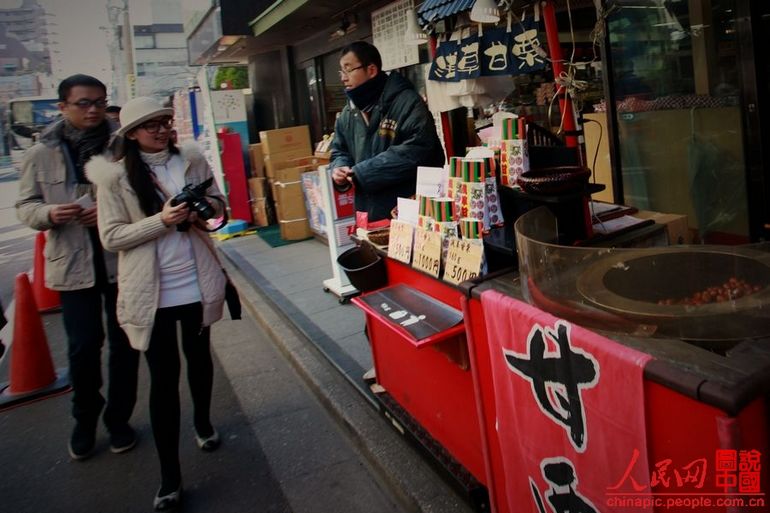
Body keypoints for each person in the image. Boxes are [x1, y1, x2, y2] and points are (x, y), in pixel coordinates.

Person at [86, 96, 226, 511]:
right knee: (163, 380)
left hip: (196, 280)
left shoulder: (192, 159)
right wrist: (161, 221)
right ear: (131, 134)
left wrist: (206, 208)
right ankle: (170, 476)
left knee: (200, 358)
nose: (162, 130)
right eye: (152, 125)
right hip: (154, 291)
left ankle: (203, 421)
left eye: (165, 122)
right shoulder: (113, 178)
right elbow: (111, 237)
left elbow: (220, 203)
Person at [16, 74, 140, 461]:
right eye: (84, 103)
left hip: (121, 259)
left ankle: (119, 420)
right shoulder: (43, 152)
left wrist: (111, 213)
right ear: (63, 106)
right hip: (71, 265)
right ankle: (84, 420)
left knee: (126, 344)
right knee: (84, 346)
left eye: (100, 102)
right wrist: (51, 212)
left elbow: (145, 192)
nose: (93, 110)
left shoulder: (122, 143)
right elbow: (25, 206)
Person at [330, 41, 445, 222]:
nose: (343, 78)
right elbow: (339, 149)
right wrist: (339, 168)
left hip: (404, 211)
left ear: (371, 70)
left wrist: (362, 172)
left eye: (348, 69)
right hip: (366, 213)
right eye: (341, 71)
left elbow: (419, 149)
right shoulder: (349, 112)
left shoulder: (407, 101)